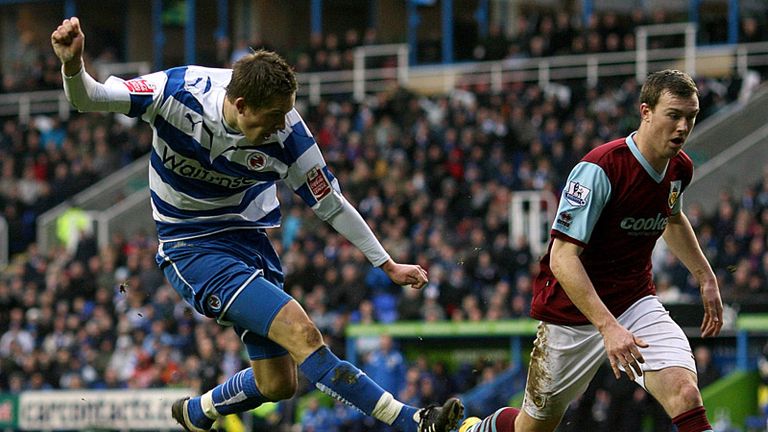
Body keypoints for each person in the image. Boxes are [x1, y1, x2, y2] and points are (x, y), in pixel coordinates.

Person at [51, 17, 463, 432]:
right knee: (302, 333)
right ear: (241, 104)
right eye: (274, 115)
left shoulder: (289, 136)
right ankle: (412, 420)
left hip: (249, 241)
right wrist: (72, 66)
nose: (283, 123)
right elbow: (91, 98)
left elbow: (332, 205)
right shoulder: (176, 93)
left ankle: (197, 413)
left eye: (287, 112)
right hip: (191, 247)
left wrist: (386, 263)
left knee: (278, 384)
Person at [459, 69, 723, 432]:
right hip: (572, 312)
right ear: (646, 112)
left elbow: (672, 218)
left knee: (685, 393)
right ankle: (471, 429)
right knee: (531, 428)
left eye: (690, 118)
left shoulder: (680, 168)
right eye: (673, 115)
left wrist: (705, 276)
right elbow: (562, 257)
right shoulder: (600, 169)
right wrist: (607, 327)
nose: (682, 127)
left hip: (634, 302)